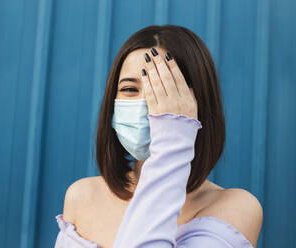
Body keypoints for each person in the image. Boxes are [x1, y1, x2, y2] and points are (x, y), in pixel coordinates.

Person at [54, 24, 263, 248]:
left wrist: (173, 138)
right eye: (130, 90)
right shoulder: (82, 196)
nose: (148, 104)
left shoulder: (237, 207)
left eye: (166, 90)